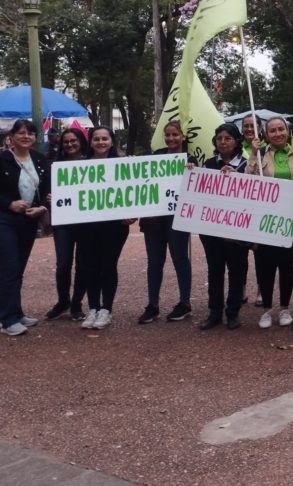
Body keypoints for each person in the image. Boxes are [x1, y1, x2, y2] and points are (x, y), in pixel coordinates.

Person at [0, 119, 50, 336]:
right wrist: (9, 204)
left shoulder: (39, 159)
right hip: (2, 220)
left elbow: (46, 190)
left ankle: (16, 312)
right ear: (12, 137)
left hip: (27, 221)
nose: (26, 136)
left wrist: (42, 208)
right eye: (21, 133)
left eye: (30, 133)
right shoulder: (1, 160)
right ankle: (7, 320)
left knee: (18, 269)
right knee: (9, 268)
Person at [247, 116, 293, 328]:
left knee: (286, 262)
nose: (278, 133)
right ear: (266, 134)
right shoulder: (260, 154)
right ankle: (266, 309)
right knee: (264, 263)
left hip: (291, 219)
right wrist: (253, 154)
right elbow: (248, 179)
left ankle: (285, 308)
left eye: (281, 129)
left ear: (287, 131)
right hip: (265, 219)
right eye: (273, 130)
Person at [138, 122, 194, 325]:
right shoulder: (155, 157)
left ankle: (184, 303)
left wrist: (192, 171)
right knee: (154, 262)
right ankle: (152, 305)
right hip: (153, 219)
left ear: (182, 136)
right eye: (167, 135)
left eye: (175, 135)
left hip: (178, 218)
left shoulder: (190, 159)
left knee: (180, 259)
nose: (171, 138)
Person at [79, 127, 133, 330]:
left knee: (108, 265)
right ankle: (93, 308)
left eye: (105, 138)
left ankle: (106, 310)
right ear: (90, 142)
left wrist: (132, 213)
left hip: (115, 226)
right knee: (90, 266)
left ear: (111, 141)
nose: (100, 142)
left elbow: (134, 192)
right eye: (96, 139)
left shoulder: (124, 165)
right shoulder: (79, 167)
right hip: (87, 225)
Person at [198, 123, 250, 330]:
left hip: (237, 229)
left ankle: (233, 312)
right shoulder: (209, 164)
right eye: (219, 138)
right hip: (211, 229)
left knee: (237, 270)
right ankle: (214, 312)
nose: (223, 142)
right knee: (215, 270)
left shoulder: (247, 165)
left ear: (237, 141)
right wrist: (192, 173)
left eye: (228, 138)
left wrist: (238, 176)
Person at [44, 127, 89, 322]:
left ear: (81, 141)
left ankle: (77, 303)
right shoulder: (55, 165)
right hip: (63, 222)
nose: (70, 144)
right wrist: (49, 198)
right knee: (63, 263)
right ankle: (63, 301)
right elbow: (46, 189)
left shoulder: (92, 163)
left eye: (74, 141)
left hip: (86, 222)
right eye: (66, 142)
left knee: (83, 264)